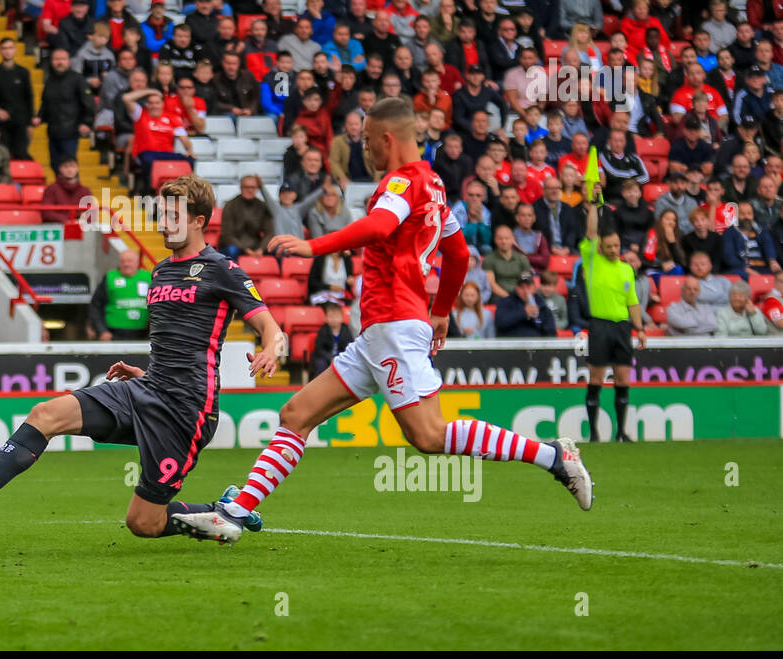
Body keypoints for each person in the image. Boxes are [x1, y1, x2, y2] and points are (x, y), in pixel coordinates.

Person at [203, 97, 594, 538]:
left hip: (393, 324)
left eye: (368, 140)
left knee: (427, 436)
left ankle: (553, 457)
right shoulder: (433, 184)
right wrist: (442, 310)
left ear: (387, 138)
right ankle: (238, 509)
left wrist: (315, 245)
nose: (365, 149)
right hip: (380, 332)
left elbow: (379, 228)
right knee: (296, 414)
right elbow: (459, 252)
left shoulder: (401, 184)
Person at [0, 174, 283, 543]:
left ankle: (220, 512)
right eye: (162, 214)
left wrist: (271, 350)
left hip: (186, 411)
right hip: (146, 388)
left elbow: (270, 326)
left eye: (173, 216)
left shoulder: (222, 270)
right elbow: (174, 342)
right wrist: (147, 373)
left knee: (143, 523)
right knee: (44, 414)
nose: (164, 223)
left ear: (199, 221)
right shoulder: (161, 270)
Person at [580, 184, 646, 443]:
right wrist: (595, 204)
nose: (614, 249)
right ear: (600, 247)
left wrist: (640, 328)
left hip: (622, 327)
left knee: (622, 378)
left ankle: (621, 431)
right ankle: (595, 432)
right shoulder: (593, 261)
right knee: (596, 377)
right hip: (600, 325)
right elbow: (591, 231)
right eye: (609, 246)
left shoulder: (626, 269)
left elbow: (633, 304)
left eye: (617, 245)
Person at [87, 249, 152, 341]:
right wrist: (101, 330)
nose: (126, 264)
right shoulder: (110, 277)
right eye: (123, 261)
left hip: (142, 333)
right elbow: (95, 306)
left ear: (137, 262)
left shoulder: (148, 278)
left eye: (129, 261)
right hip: (113, 333)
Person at [495, 271, 556, 337]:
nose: (525, 291)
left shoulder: (541, 305)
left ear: (534, 288)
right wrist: (524, 313)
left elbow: (550, 332)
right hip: (510, 343)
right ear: (516, 288)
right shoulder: (506, 302)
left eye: (528, 287)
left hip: (535, 345)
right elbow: (500, 323)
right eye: (522, 287)